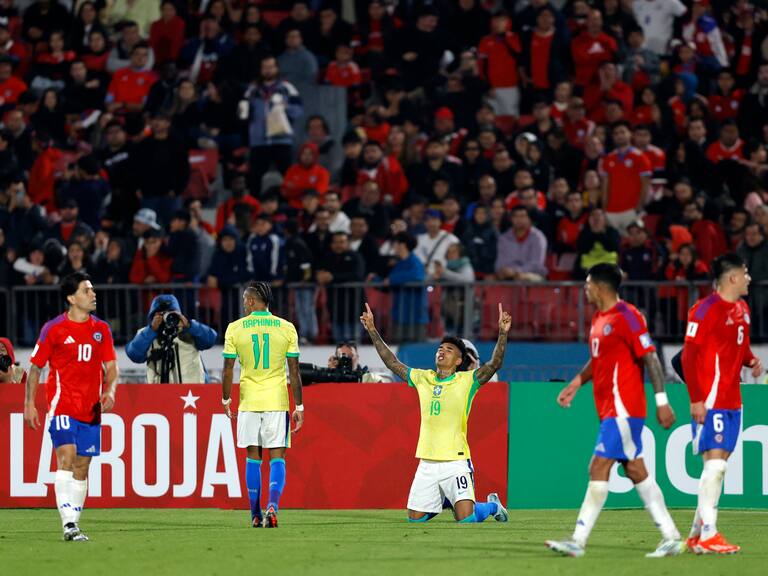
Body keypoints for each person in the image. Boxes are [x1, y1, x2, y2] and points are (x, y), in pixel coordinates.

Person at [547, 263, 683, 558]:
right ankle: (671, 536)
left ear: (600, 286)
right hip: (610, 409)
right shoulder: (599, 318)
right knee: (636, 471)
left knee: (598, 467)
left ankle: (578, 540)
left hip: (625, 408)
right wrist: (576, 383)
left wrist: (662, 401)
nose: (585, 289)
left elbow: (651, 359)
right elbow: (598, 361)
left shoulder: (628, 317)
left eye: (587, 284)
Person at [360, 301, 511, 523]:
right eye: (440, 348)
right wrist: (373, 330)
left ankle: (491, 506)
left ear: (459, 360)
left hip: (456, 460)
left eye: (449, 350)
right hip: (428, 462)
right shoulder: (423, 378)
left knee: (466, 519)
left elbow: (495, 363)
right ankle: (446, 498)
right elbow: (392, 363)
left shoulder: (467, 381)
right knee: (415, 519)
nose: (442, 351)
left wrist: (502, 334)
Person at [23, 272, 119, 542]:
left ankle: (73, 524)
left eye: (92, 289)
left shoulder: (101, 329)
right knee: (66, 457)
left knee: (82, 466)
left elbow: (112, 368)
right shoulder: (53, 329)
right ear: (71, 297)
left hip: (91, 410)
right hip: (62, 406)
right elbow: (35, 368)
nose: (93, 294)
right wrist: (29, 403)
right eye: (87, 290)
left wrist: (109, 391)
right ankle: (68, 524)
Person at [681, 253, 763, 554]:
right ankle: (709, 534)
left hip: (733, 401)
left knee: (718, 468)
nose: (749, 278)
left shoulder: (742, 308)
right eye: (744, 273)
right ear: (731, 278)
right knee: (714, 467)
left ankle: (695, 536)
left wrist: (752, 360)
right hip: (711, 399)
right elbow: (688, 356)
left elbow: (738, 347)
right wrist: (697, 400)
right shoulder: (704, 310)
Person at [221, 281, 304, 528]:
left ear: (250, 301)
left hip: (249, 401)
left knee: (253, 458)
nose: (243, 304)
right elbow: (295, 370)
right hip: (276, 401)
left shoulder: (235, 329)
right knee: (277, 457)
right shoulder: (286, 328)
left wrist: (226, 399)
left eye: (245, 299)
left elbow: (227, 369)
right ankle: (273, 506)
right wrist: (299, 406)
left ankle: (255, 514)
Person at [126, 294, 217, 383]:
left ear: (178, 314)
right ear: (153, 316)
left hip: (193, 393)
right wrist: (151, 330)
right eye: (161, 314)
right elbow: (134, 354)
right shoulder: (146, 333)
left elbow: (211, 339)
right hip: (160, 394)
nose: (166, 318)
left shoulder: (189, 327)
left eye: (171, 313)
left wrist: (190, 326)